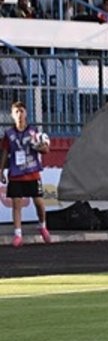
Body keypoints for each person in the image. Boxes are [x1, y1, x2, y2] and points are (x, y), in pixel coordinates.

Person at [1, 102, 53, 247]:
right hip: (15, 173)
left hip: (32, 172)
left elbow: (45, 149)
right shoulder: (9, 134)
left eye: (21, 111)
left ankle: (42, 226)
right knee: (16, 204)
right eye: (16, 112)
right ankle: (18, 235)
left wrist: (43, 148)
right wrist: (2, 171)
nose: (19, 114)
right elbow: (5, 152)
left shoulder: (34, 132)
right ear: (12, 115)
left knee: (39, 203)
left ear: (26, 113)